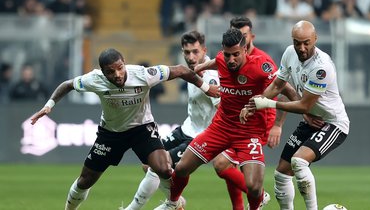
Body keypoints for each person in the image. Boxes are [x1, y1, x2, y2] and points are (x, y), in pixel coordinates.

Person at [30, 48, 219, 210]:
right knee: (85, 180)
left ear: (124, 63)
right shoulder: (94, 79)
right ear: (103, 72)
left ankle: (174, 203)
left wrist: (205, 87)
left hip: (142, 129)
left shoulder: (143, 74)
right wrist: (49, 105)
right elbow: (67, 85)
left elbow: (181, 70)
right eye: (111, 72)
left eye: (120, 68)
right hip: (111, 134)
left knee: (163, 168)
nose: (117, 74)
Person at [155, 28, 296, 210]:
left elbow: (285, 87)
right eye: (228, 55)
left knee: (253, 187)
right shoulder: (223, 59)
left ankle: (254, 206)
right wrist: (201, 67)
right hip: (220, 128)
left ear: (245, 49)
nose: (231, 60)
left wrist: (305, 108)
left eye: (236, 55)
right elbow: (217, 61)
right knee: (182, 168)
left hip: (249, 132)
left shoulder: (262, 66)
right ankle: (173, 203)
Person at [240, 20, 350, 210]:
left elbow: (304, 105)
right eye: (297, 42)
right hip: (311, 121)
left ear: (315, 39)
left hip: (332, 123)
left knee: (299, 161)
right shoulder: (290, 53)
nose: (301, 47)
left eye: (306, 42)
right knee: (281, 174)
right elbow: (278, 85)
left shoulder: (321, 68)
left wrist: (267, 103)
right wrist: (252, 104)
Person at [120, 31, 220, 210]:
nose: (191, 57)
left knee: (156, 166)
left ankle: (134, 208)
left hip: (202, 136)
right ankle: (176, 202)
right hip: (187, 128)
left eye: (195, 52)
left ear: (204, 50)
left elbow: (222, 108)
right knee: (148, 162)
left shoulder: (211, 75)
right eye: (187, 52)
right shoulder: (191, 70)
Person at [211, 16, 283, 210]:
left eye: (243, 35)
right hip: (234, 123)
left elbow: (282, 89)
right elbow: (217, 62)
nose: (239, 39)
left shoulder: (264, 62)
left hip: (257, 125)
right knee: (224, 165)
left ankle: (259, 196)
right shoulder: (229, 59)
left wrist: (277, 124)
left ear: (251, 36)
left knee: (224, 164)